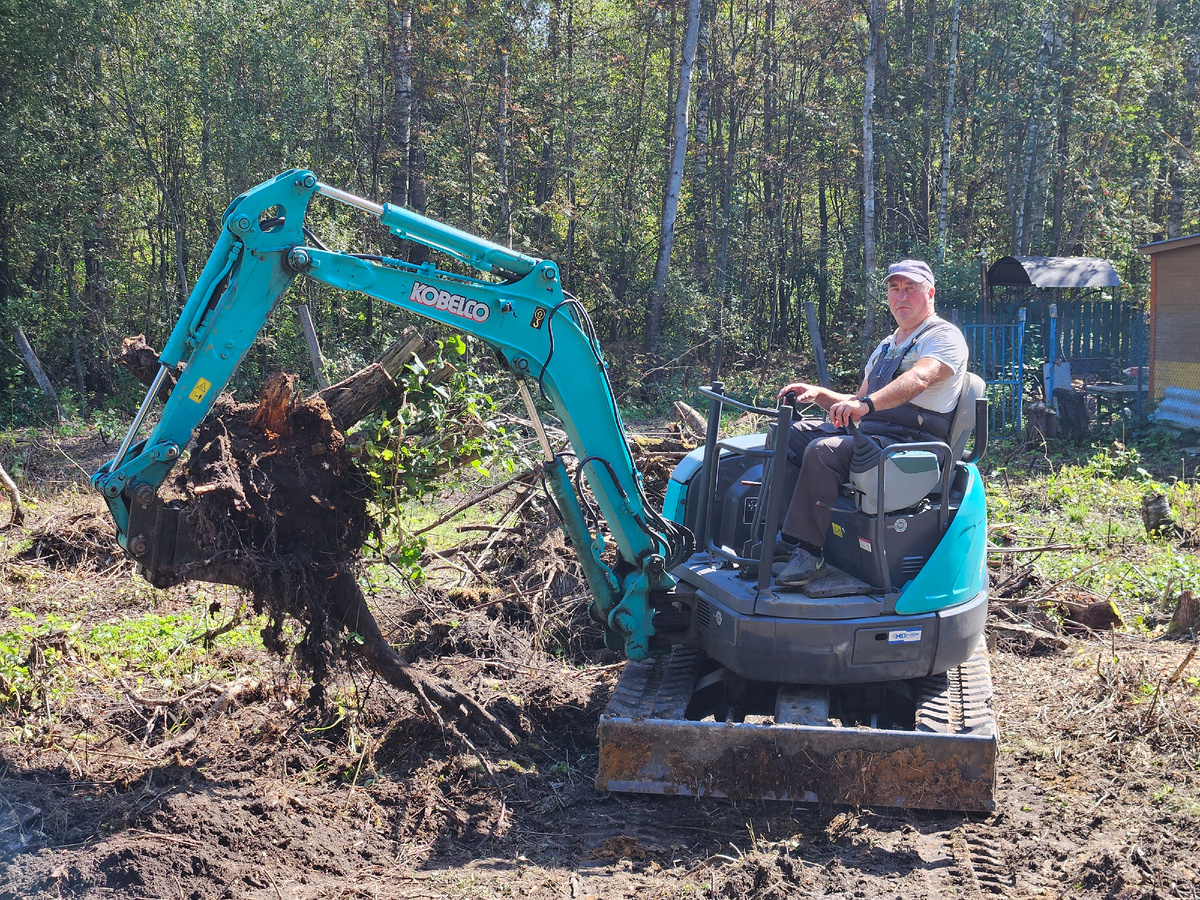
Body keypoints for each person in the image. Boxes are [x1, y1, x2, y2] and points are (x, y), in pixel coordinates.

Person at [774, 259, 968, 587]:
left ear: (930, 293)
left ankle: (810, 554)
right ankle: (788, 536)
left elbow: (920, 378)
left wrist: (866, 405)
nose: (901, 296)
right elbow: (858, 400)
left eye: (911, 289)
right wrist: (819, 394)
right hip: (874, 434)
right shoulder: (887, 346)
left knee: (824, 451)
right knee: (788, 435)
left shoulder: (943, 337)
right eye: (895, 289)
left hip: (911, 443)